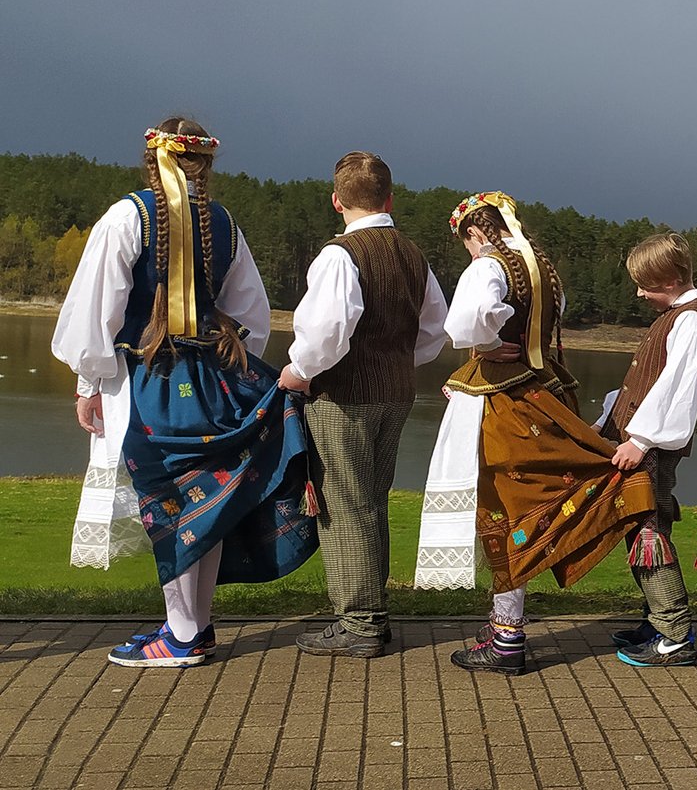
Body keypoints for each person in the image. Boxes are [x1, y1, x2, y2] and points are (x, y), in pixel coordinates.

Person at [53, 117, 317, 667]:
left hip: (148, 380)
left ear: (153, 159)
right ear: (206, 163)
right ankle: (193, 624)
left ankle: (183, 635)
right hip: (216, 379)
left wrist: (89, 382)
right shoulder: (224, 223)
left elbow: (94, 311)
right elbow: (253, 316)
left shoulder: (129, 216)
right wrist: (229, 357)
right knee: (202, 502)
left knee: (170, 502)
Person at [418, 192, 656, 675]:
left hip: (504, 407)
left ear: (476, 232)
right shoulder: (543, 269)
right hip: (543, 394)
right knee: (522, 506)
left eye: (466, 240)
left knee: (502, 508)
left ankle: (507, 636)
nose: (469, 250)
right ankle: (504, 622)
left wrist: (485, 345)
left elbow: (464, 321)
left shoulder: (488, 266)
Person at [279, 151, 448, 658]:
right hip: (396, 393)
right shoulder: (413, 253)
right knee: (371, 501)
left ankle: (360, 624)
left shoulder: (339, 255)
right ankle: (372, 615)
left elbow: (329, 329)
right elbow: (436, 327)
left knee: (346, 504)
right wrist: (397, 359)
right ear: (390, 198)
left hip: (345, 396)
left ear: (336, 201)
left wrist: (300, 370)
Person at [593, 233, 697, 667]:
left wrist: (640, 440)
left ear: (668, 279)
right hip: (639, 442)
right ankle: (656, 621)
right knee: (639, 532)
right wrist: (609, 423)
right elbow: (645, 385)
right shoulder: (675, 315)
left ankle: (675, 634)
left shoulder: (691, 320)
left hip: (652, 449)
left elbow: (675, 390)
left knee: (651, 536)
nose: (639, 293)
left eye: (645, 284)